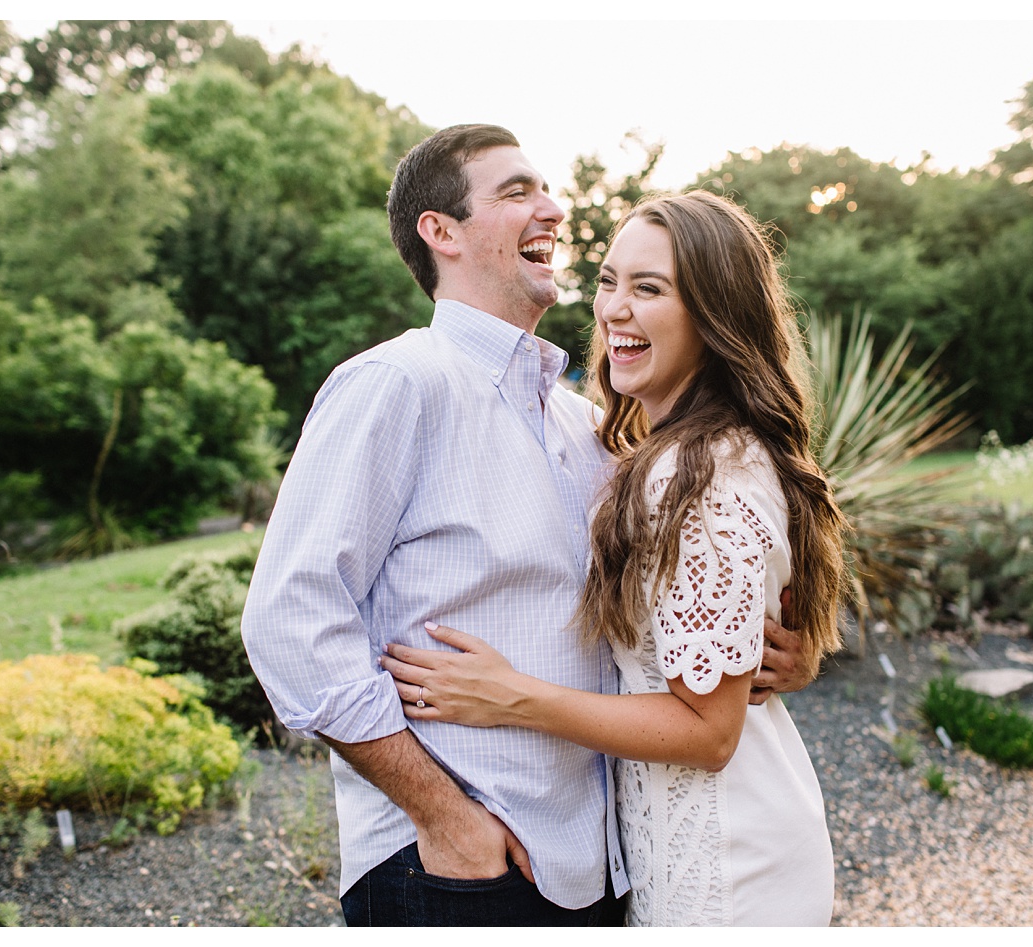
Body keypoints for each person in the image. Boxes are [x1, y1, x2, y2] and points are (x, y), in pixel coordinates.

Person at [240, 125, 812, 927]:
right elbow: (288, 622)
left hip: (596, 865)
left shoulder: (587, 427)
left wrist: (765, 648)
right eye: (516, 192)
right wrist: (445, 818)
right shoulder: (396, 385)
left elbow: (683, 600)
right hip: (456, 866)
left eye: (545, 189)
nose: (551, 207)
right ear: (440, 232)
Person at [381, 190, 849, 926]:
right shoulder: (660, 454)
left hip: (729, 862)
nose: (614, 310)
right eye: (608, 281)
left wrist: (509, 695)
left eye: (650, 289)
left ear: (713, 314)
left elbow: (711, 732)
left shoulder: (705, 472)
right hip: (684, 846)